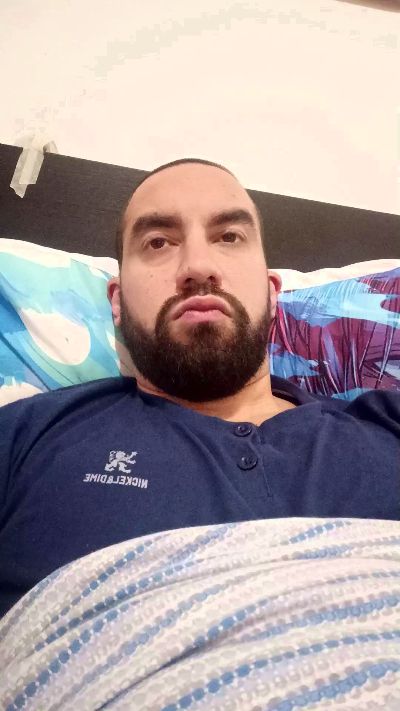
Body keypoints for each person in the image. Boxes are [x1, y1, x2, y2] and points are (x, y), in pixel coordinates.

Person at [0, 158, 399, 619]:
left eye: (229, 237)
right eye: (158, 242)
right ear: (117, 301)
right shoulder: (27, 437)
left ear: (273, 294)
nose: (198, 266)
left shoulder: (387, 428)